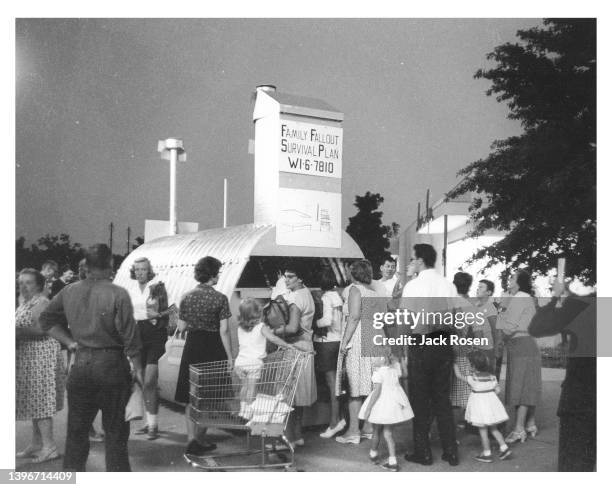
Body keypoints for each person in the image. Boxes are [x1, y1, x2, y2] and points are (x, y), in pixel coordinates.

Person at [40, 244, 142, 471]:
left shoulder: (69, 291)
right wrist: (139, 372)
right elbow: (131, 339)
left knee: (76, 434)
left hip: (81, 364)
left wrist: (69, 342)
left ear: (86, 264)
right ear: (111, 264)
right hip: (112, 366)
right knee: (115, 435)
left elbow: (46, 320)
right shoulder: (118, 293)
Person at [528, 280, 596, 471]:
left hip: (582, 396)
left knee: (576, 460)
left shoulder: (581, 306)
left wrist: (555, 298)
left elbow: (537, 327)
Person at [401, 244, 459, 466]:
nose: (411, 263)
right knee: (442, 399)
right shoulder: (448, 285)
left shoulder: (413, 286)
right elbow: (455, 318)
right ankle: (451, 451)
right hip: (443, 344)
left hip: (420, 345)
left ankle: (423, 452)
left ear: (420, 261)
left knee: (420, 399)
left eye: (412, 259)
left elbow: (406, 321)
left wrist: (400, 349)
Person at [175, 256, 232, 456]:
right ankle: (200, 438)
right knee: (209, 395)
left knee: (191, 396)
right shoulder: (220, 298)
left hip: (193, 346)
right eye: (218, 272)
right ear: (213, 274)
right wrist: (230, 356)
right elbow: (224, 331)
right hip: (213, 347)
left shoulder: (186, 297)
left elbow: (181, 327)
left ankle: (192, 439)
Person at [15, 268, 65, 463]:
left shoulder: (41, 302)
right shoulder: (25, 302)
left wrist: (15, 331)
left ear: (39, 284)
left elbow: (43, 329)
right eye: (21, 282)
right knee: (34, 401)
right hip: (30, 356)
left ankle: (49, 446)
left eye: (28, 282)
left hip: (42, 356)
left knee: (41, 402)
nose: (23, 286)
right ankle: (37, 443)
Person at [269, 263, 317, 447]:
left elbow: (292, 328)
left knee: (287, 396)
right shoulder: (307, 294)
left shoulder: (296, 298)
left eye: (290, 277)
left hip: (294, 348)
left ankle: (287, 438)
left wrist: (272, 329)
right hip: (306, 347)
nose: (286, 280)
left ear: (300, 278)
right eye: (285, 276)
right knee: (298, 398)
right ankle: (297, 436)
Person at [234, 298, 306, 416]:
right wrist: (286, 345)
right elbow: (273, 338)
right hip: (254, 363)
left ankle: (243, 409)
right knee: (252, 388)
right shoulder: (261, 326)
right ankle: (249, 412)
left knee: (244, 386)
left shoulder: (240, 327)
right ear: (257, 313)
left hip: (240, 362)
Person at [125, 257, 170, 441]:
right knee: (141, 379)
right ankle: (150, 422)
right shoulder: (130, 288)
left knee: (150, 380)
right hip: (136, 334)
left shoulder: (157, 287)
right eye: (137, 269)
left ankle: (152, 425)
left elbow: (169, 312)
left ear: (149, 270)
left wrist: (157, 314)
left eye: (143, 269)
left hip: (154, 334)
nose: (140, 272)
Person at [334, 259, 377, 445]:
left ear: (354, 272)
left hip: (357, 340)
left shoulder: (354, 290)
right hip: (373, 338)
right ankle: (368, 427)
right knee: (368, 385)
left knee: (354, 387)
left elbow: (353, 317)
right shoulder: (373, 293)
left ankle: (353, 431)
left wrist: (344, 342)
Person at [498, 270, 541, 444]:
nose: (509, 279)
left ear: (519, 282)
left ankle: (518, 429)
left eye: (513, 277)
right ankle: (530, 424)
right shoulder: (527, 297)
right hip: (528, 344)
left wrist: (500, 313)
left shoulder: (518, 298)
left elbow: (508, 328)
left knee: (520, 387)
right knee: (528, 384)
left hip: (520, 345)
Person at [359, 349, 414, 471]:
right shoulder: (394, 369)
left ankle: (374, 453)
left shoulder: (378, 373)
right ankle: (391, 460)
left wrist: (368, 409)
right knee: (388, 434)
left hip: (381, 405)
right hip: (393, 405)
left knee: (376, 431)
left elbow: (377, 393)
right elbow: (404, 375)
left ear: (382, 359)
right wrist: (402, 363)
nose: (372, 360)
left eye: (374, 358)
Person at [456, 350, 511, 463]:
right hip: (491, 408)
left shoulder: (473, 378)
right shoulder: (492, 377)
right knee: (494, 429)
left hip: (479, 409)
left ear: (473, 366)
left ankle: (487, 453)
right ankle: (504, 447)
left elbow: (459, 376)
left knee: (483, 431)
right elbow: (498, 390)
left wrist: (454, 364)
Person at [314, 269, 345, 439]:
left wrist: (313, 324)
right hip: (338, 341)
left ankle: (334, 422)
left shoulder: (326, 298)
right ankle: (338, 419)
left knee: (332, 384)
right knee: (336, 384)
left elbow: (327, 321)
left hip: (327, 342)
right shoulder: (337, 296)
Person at [450, 272, 474, 426]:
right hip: (466, 346)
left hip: (453, 345)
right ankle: (467, 418)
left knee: (453, 383)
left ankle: (452, 420)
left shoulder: (451, 303)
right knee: (465, 382)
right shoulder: (470, 305)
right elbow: (471, 329)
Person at [474, 280, 498, 374]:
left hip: (488, 349)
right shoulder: (476, 306)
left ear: (489, 292)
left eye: (481, 287)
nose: (477, 289)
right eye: (478, 286)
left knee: (488, 376)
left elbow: (495, 329)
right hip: (477, 348)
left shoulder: (490, 307)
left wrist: (496, 348)